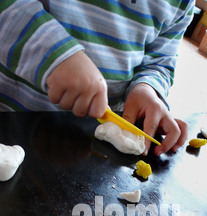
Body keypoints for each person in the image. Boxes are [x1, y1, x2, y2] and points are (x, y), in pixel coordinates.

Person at [0, 0, 195, 155]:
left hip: (91, 146)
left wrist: (147, 88)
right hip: (12, 123)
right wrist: (55, 54)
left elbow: (160, 60)